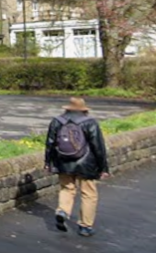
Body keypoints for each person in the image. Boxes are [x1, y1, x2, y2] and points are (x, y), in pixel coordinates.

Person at [44, 97, 110, 237]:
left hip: (63, 161)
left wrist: (48, 162)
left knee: (67, 188)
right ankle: (85, 227)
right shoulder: (90, 122)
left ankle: (62, 211)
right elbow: (98, 147)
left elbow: (50, 143)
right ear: (84, 110)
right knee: (88, 194)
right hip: (87, 164)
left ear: (67, 108)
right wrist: (103, 168)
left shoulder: (57, 121)